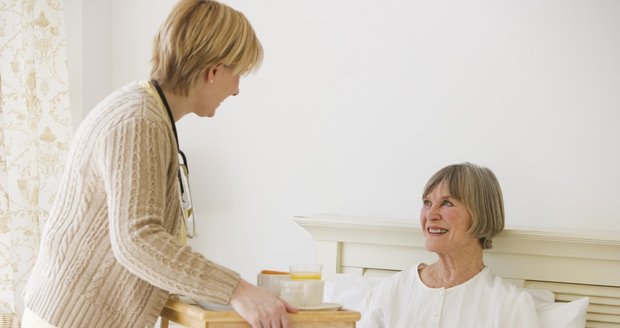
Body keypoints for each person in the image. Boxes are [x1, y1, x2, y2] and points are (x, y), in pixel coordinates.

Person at [22, 1, 296, 327]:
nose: (237, 90)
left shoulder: (146, 112)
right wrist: (238, 290)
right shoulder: (140, 121)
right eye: (237, 74)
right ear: (214, 70)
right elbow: (138, 240)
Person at [358, 162, 540, 327]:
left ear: (480, 214)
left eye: (446, 203)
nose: (430, 215)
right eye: (427, 203)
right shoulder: (389, 292)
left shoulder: (510, 305)